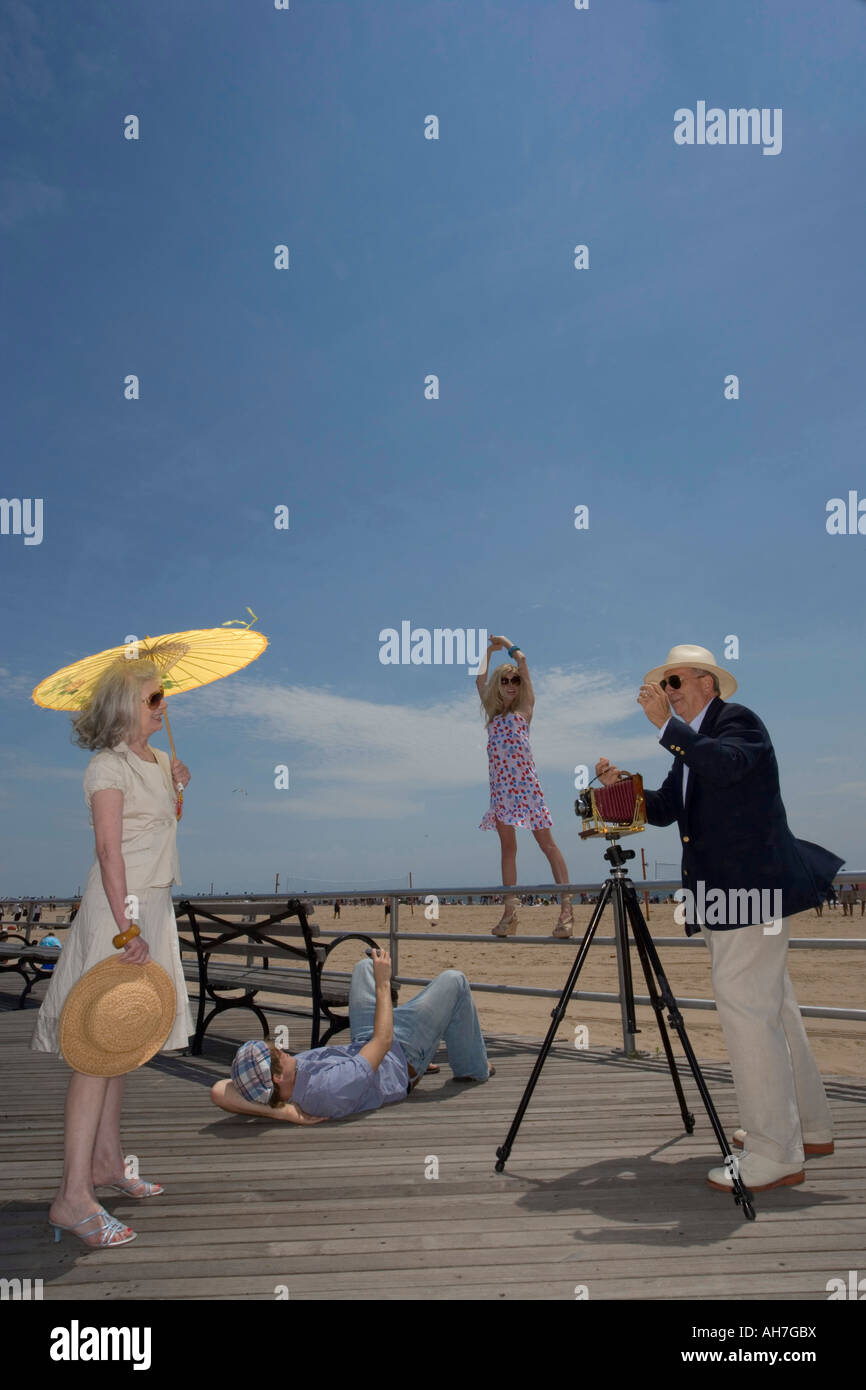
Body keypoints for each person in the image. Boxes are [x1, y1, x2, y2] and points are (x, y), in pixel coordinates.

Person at [596, 644, 843, 1196]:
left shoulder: (736, 723)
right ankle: (810, 1127)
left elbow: (727, 767)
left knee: (747, 1013)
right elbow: (666, 808)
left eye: (675, 681)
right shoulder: (695, 741)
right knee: (774, 1007)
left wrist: (667, 728)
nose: (667, 692)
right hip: (730, 896)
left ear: (707, 682)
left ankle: (774, 1150)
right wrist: (620, 790)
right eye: (663, 685)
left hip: (747, 895)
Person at [31, 659, 192, 1247]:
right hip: (121, 912)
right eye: (154, 699)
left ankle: (105, 1164)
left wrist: (177, 787)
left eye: (163, 698)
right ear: (127, 705)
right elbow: (109, 850)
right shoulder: (107, 767)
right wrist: (129, 929)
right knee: (94, 1050)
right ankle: (71, 1197)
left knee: (123, 1042)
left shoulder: (155, 764)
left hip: (153, 905)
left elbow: (154, 837)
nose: (163, 706)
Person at [211, 949, 493, 1123]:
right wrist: (383, 982)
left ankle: (425, 1034)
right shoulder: (327, 1089)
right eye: (275, 1053)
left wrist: (280, 1112)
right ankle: (473, 1067)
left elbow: (220, 1091)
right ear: (275, 1076)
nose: (281, 1050)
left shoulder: (286, 1090)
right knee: (455, 980)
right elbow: (382, 1043)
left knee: (363, 966)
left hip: (366, 1043)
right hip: (401, 1055)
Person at [476, 635, 573, 937]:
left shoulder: (524, 710)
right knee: (508, 849)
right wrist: (487, 652)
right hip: (502, 793)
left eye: (515, 681)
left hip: (527, 789)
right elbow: (479, 680)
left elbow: (524, 662)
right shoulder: (493, 718)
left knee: (547, 845)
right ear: (499, 684)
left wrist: (509, 645)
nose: (511, 685)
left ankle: (567, 911)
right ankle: (510, 914)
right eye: (505, 681)